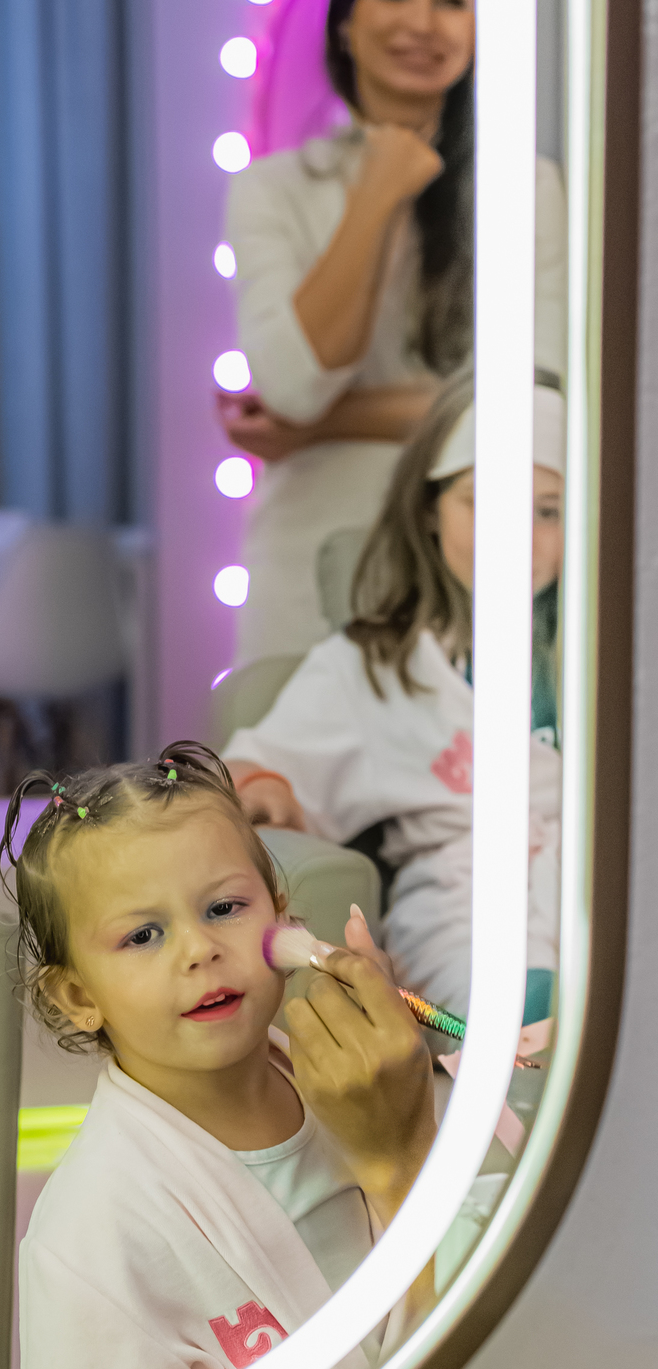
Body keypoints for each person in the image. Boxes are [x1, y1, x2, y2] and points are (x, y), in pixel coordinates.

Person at [2, 743, 440, 1369]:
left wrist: (411, 1118)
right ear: (78, 996)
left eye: (225, 909)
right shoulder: (90, 1237)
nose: (199, 949)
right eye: (143, 936)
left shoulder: (358, 1090)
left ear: (283, 920)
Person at [218, 0, 567, 662]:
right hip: (305, 569)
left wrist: (323, 426)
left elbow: (527, 396)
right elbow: (294, 385)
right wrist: (377, 190)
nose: (422, 22)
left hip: (463, 572)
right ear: (346, 18)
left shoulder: (525, 188)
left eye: (453, 0)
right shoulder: (272, 189)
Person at [222, 377, 564, 1021]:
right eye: (487, 502)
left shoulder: (613, 653)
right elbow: (254, 772)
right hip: (467, 919)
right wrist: (266, 789)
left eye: (548, 511)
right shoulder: (378, 667)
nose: (519, 537)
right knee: (544, 1022)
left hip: (605, 900)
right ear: (430, 509)